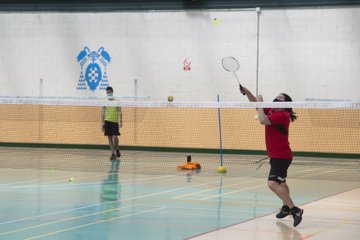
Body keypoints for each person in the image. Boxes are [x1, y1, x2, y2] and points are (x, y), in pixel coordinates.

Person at [240, 86, 303, 227]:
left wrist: (261, 104)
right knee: (282, 183)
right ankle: (286, 207)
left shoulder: (283, 115)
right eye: (277, 96)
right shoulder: (273, 110)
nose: (276, 98)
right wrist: (248, 92)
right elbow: (256, 105)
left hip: (281, 156)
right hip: (277, 155)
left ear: (285, 104)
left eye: (280, 98)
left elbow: (263, 120)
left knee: (272, 184)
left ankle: (295, 209)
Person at [102, 86, 123, 160]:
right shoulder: (105, 100)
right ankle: (113, 154)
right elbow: (103, 111)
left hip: (114, 121)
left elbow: (120, 111)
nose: (108, 94)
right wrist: (102, 122)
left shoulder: (116, 100)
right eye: (107, 93)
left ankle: (117, 148)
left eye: (109, 92)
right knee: (110, 138)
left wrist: (120, 121)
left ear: (112, 92)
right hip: (107, 121)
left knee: (115, 137)